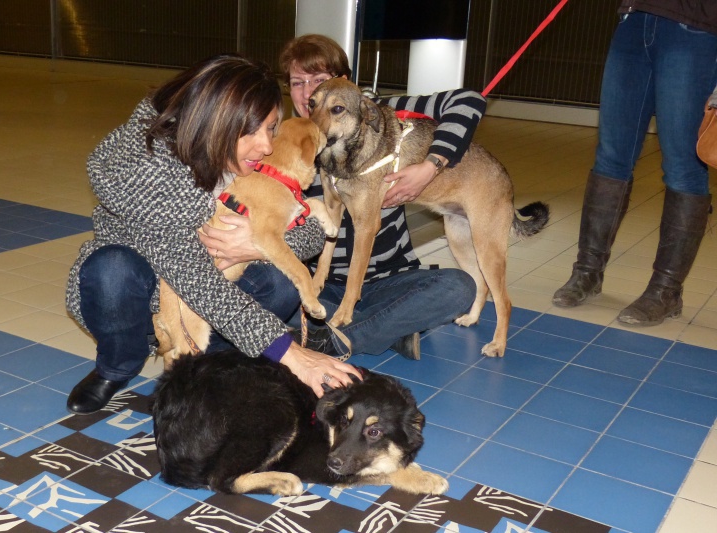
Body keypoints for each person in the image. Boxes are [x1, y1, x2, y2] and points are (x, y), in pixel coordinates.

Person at [65, 54, 361, 415]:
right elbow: (196, 279)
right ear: (215, 122)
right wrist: (290, 353)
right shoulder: (148, 173)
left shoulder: (232, 151)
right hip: (146, 293)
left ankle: (213, 365)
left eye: (271, 128)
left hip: (208, 289)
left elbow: (309, 233)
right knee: (110, 268)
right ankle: (117, 365)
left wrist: (253, 244)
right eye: (253, 131)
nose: (266, 146)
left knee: (278, 284)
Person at [205, 34, 485, 360]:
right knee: (275, 290)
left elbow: (468, 101)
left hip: (390, 280)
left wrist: (431, 166)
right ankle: (380, 331)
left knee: (458, 288)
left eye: (320, 81)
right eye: (299, 83)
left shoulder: (381, 112)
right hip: (321, 286)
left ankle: (333, 338)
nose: (311, 94)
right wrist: (254, 239)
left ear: (344, 83)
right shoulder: (278, 140)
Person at [553, 2, 717, 327]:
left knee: (683, 166)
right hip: (634, 19)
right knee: (611, 156)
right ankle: (587, 272)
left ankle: (666, 291)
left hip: (695, 26)